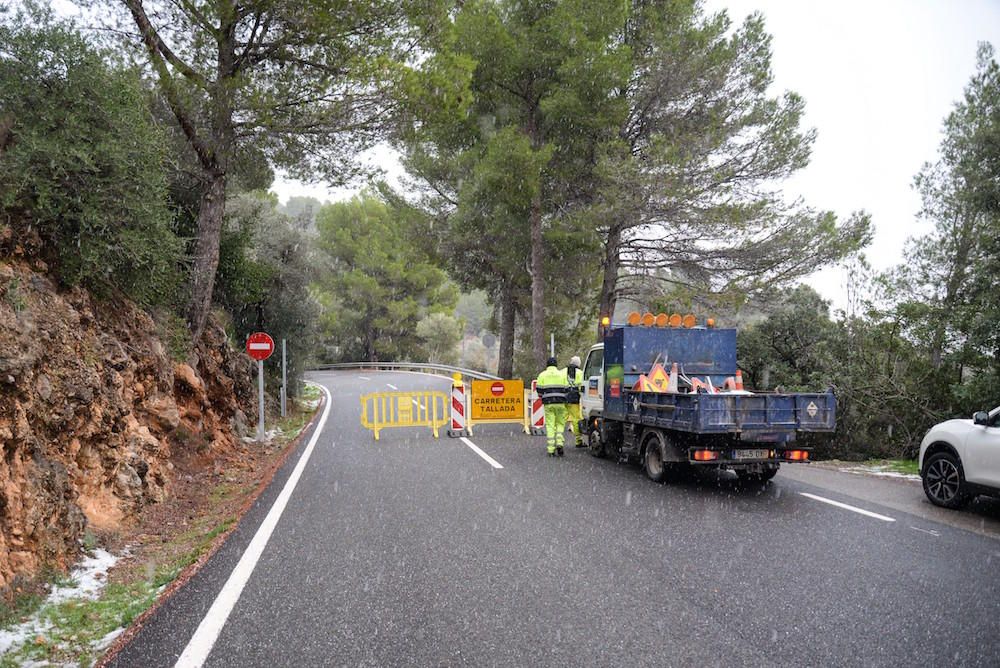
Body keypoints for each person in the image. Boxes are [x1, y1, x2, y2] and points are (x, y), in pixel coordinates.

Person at [536, 356, 569, 457]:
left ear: (547, 365)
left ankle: (551, 449)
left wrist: (544, 396)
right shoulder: (562, 375)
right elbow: (567, 389)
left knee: (550, 425)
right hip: (560, 402)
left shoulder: (542, 375)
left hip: (549, 403)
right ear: (556, 365)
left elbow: (539, 390)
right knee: (560, 423)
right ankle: (559, 443)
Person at [565, 355, 584, 447]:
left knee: (560, 420)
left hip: (563, 398)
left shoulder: (562, 372)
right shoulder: (581, 373)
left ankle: (558, 441)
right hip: (574, 400)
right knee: (576, 419)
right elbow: (582, 388)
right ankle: (578, 440)